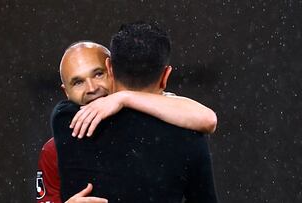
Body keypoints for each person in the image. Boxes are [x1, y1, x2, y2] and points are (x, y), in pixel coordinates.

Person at [52, 22, 218, 202]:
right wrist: (125, 98)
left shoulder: (67, 118)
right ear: (165, 76)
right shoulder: (189, 134)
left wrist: (123, 97)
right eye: (78, 82)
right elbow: (207, 119)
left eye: (98, 74)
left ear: (110, 68)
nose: (91, 88)